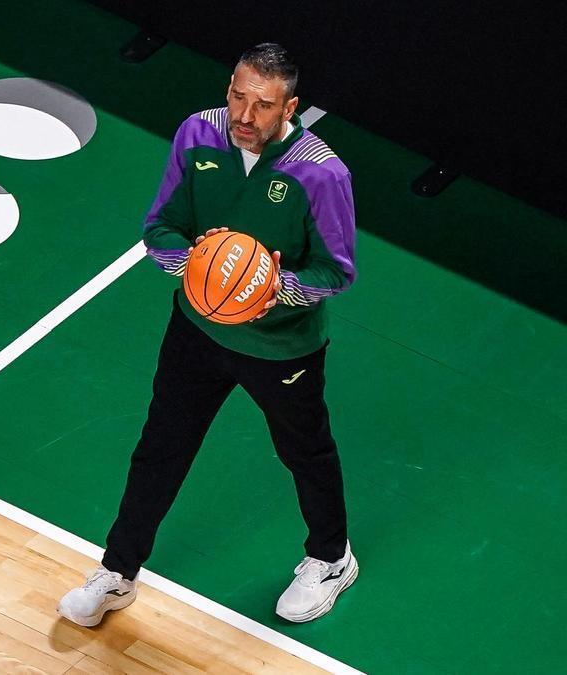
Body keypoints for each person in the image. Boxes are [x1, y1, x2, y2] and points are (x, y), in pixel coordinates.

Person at [58, 43, 358, 627]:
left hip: (280, 347)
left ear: (289, 107)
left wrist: (271, 288)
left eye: (263, 105)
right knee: (160, 447)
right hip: (195, 331)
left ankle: (329, 558)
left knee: (304, 452)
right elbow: (161, 228)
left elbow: (336, 272)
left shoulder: (321, 173)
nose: (245, 116)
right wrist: (196, 266)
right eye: (237, 97)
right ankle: (117, 572)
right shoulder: (198, 134)